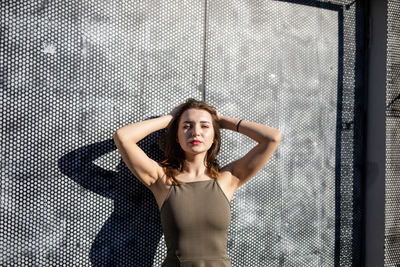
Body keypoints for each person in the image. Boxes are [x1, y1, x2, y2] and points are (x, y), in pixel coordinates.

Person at [113, 98, 282, 266]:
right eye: (187, 126)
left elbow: (272, 138)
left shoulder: (228, 179)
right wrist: (170, 118)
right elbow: (123, 137)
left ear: (214, 136)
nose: (195, 132)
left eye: (204, 126)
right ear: (177, 137)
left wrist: (222, 120)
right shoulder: (161, 179)